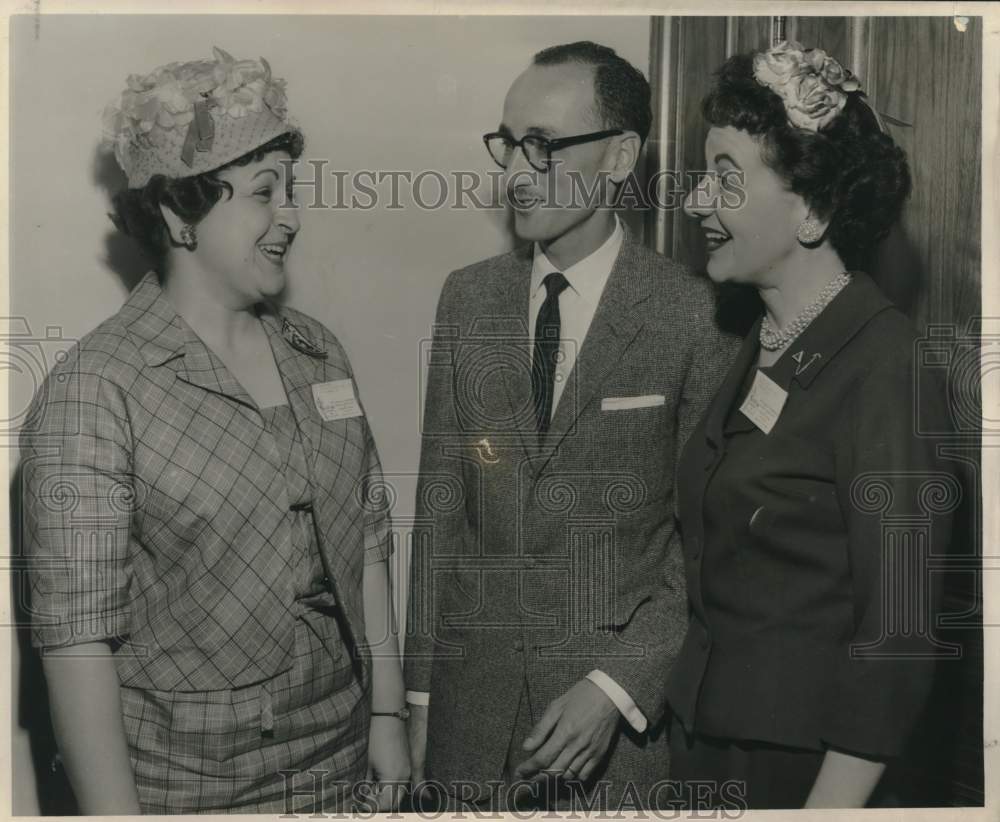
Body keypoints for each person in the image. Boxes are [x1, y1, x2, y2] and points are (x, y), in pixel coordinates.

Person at [20, 48, 409, 814]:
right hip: (188, 790)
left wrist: (389, 717)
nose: (290, 216)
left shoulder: (318, 353)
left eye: (291, 190)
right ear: (179, 215)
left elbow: (368, 542)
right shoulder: (94, 390)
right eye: (265, 192)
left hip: (339, 761)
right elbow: (76, 643)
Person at [404, 41, 737, 810]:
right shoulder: (467, 300)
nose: (517, 173)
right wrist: (420, 700)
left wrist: (616, 686)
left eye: (544, 145)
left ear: (619, 155)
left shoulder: (694, 314)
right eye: (509, 144)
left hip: (610, 744)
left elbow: (703, 547)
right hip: (468, 723)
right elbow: (441, 511)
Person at [666, 41, 956, 809]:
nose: (696, 201)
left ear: (814, 209)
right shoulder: (759, 341)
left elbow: (898, 633)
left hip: (807, 777)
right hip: (709, 752)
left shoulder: (887, 365)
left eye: (726, 178)